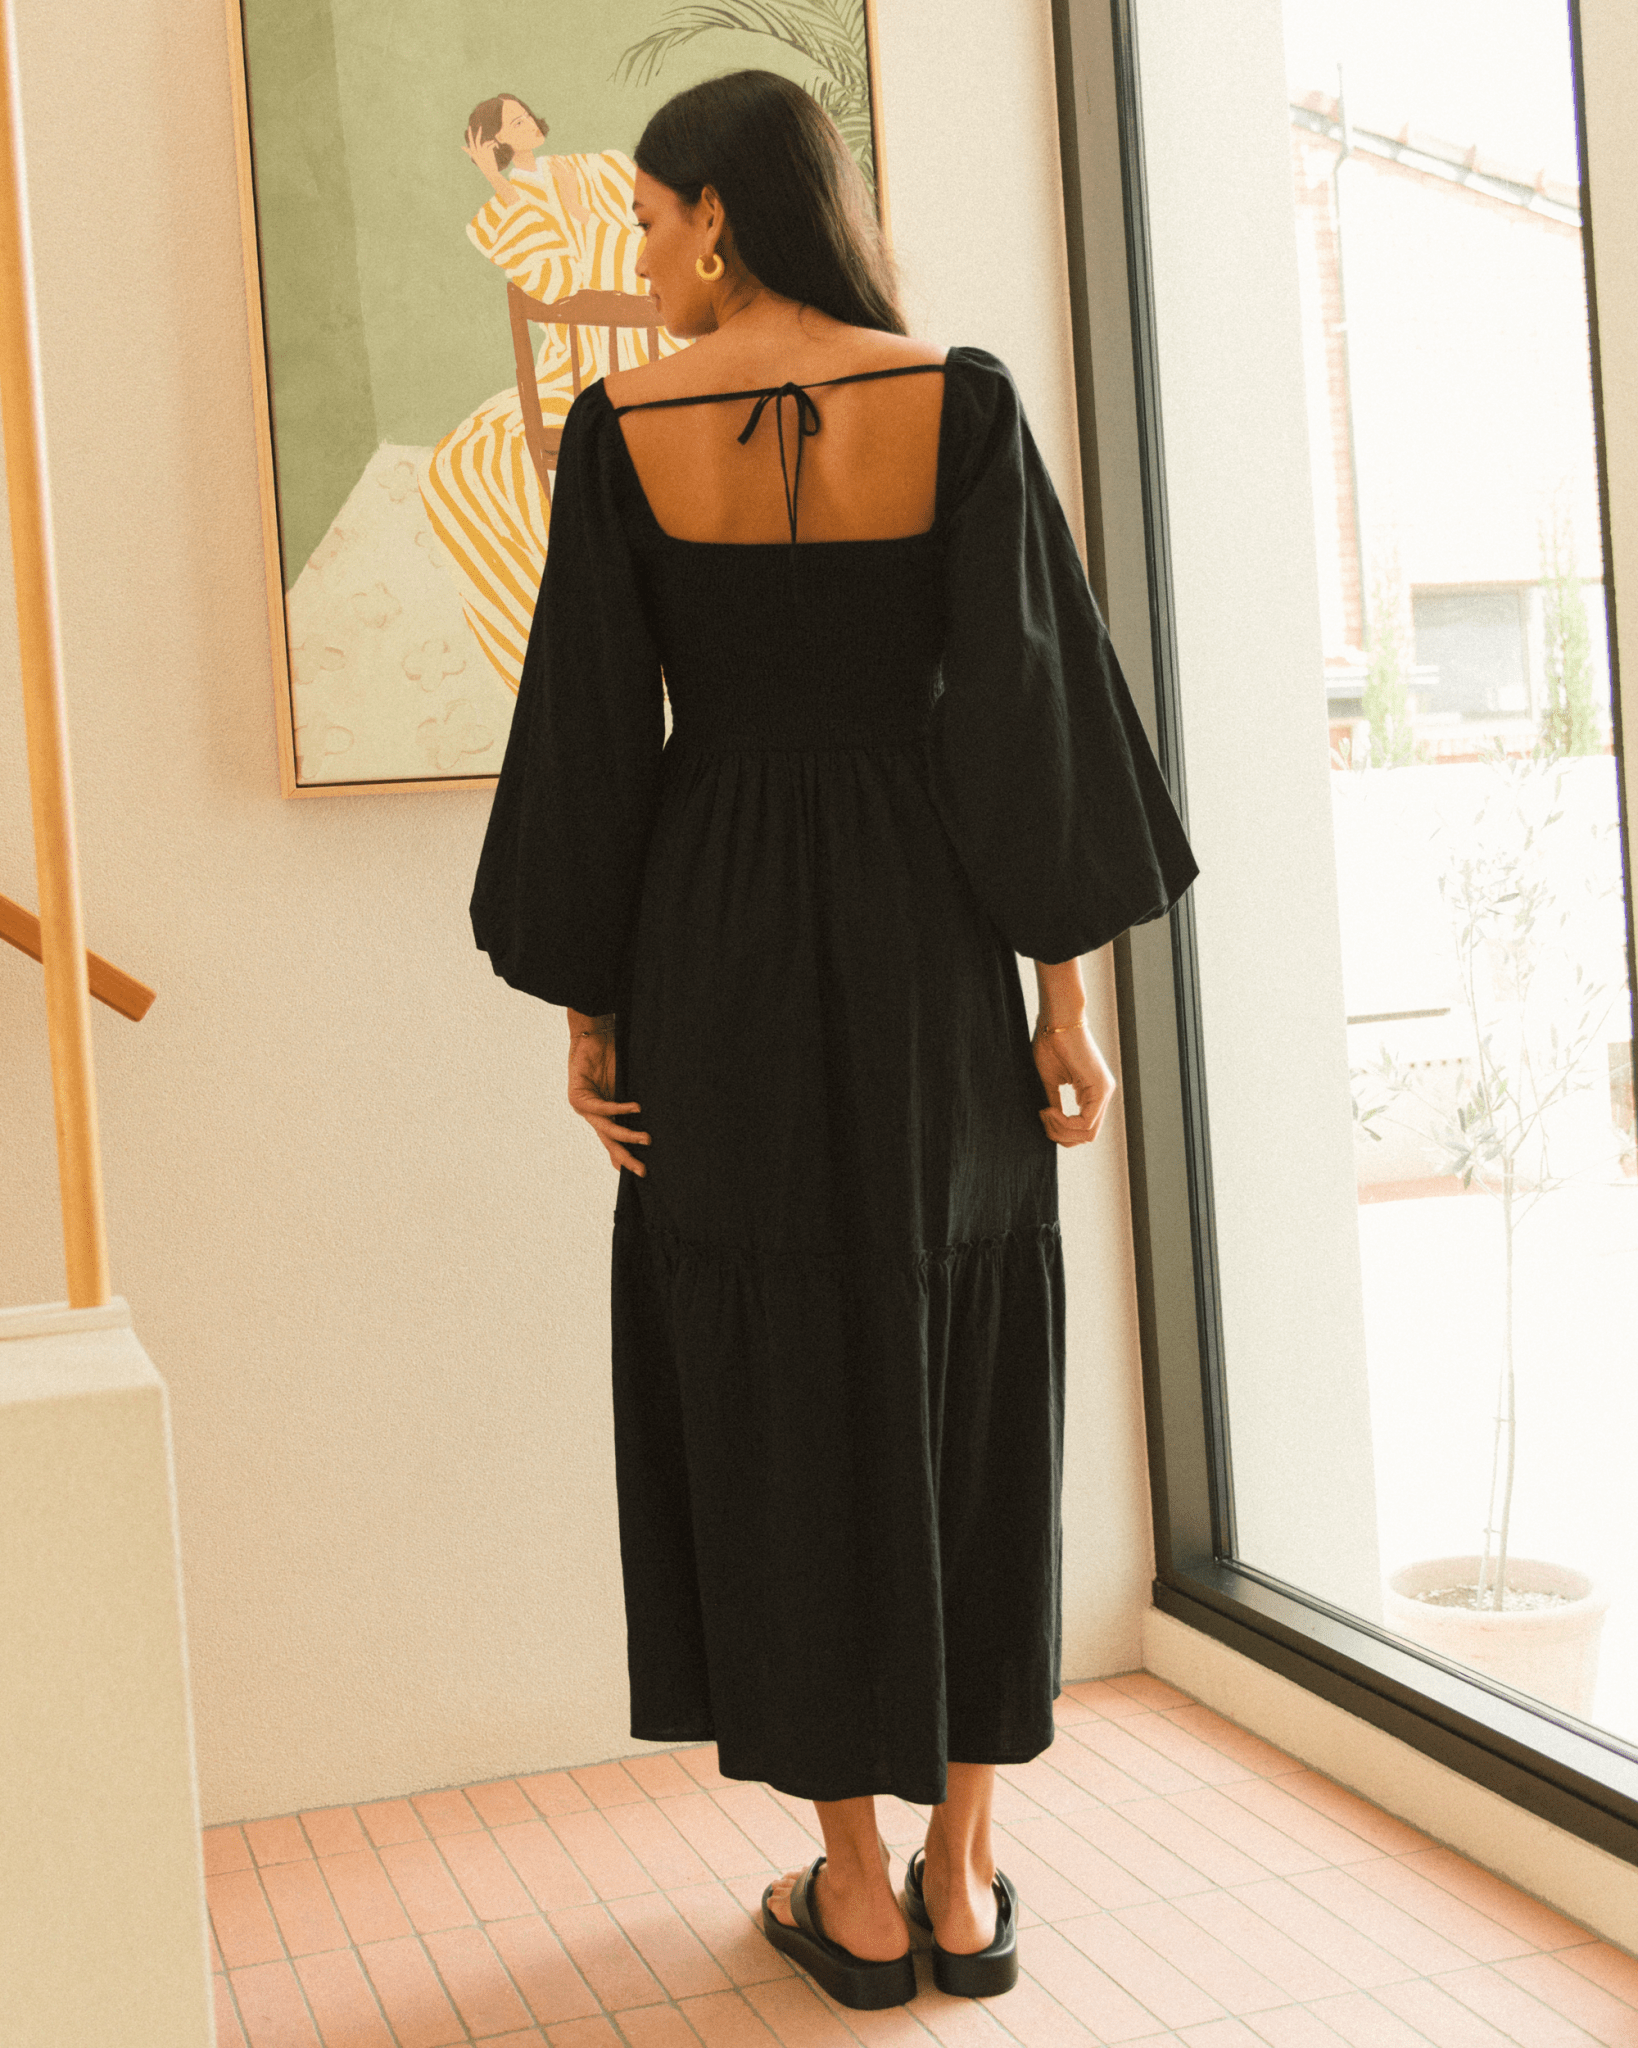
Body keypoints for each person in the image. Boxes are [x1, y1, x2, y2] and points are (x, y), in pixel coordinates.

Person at [469, 69, 1198, 2012]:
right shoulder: (956, 401)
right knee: (966, 1356)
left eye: (648, 221)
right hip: (924, 936)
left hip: (709, 940)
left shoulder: (624, 427)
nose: (640, 255)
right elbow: (1028, 719)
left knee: (767, 1376)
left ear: (717, 214)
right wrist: (1061, 1000)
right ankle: (964, 1871)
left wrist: (592, 1010)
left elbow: (591, 737)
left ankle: (853, 1885)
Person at [421, 95, 688, 691]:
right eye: (511, 124)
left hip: (659, 348)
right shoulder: (504, 210)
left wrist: (585, 221)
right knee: (467, 459)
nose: (526, 124)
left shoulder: (602, 167)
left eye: (525, 115)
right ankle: (555, 636)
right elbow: (556, 282)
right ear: (495, 143)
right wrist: (501, 185)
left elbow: (650, 256)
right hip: (577, 359)